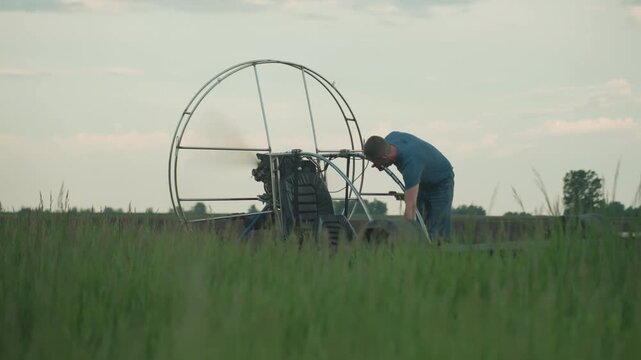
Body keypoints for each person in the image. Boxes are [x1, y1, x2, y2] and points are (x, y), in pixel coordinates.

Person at [363, 131, 454, 239]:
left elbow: (410, 207)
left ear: (384, 158)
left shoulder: (411, 163)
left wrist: (404, 237)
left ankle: (436, 249)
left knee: (438, 231)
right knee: (421, 225)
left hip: (440, 181)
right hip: (421, 180)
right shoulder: (390, 139)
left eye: (377, 164)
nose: (378, 168)